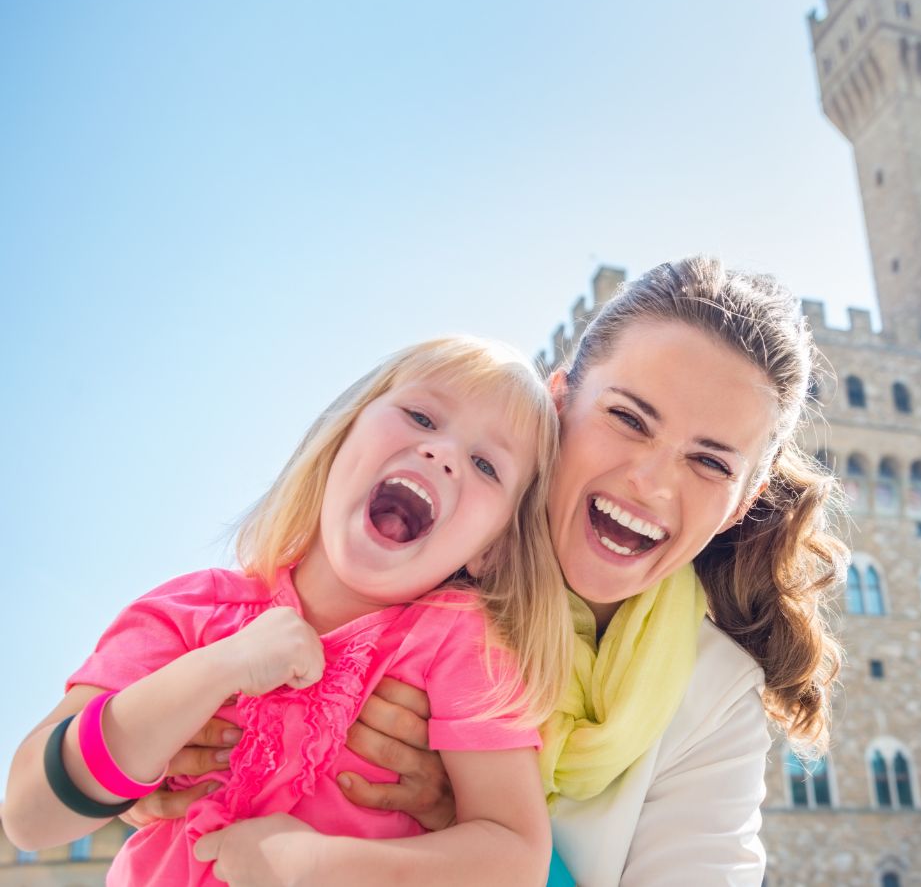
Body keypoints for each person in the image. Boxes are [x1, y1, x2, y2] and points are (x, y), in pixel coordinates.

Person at [135, 256, 849, 887]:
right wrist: (161, 748)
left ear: (741, 505)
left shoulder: (713, 698)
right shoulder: (395, 574)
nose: (651, 483)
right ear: (558, 401)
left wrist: (467, 831)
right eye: (629, 419)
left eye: (710, 462)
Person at [3, 336, 573, 887]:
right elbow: (30, 815)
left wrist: (319, 868)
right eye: (422, 418)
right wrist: (218, 667)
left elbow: (515, 856)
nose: (441, 453)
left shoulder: (463, 646)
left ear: (492, 548)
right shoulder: (189, 612)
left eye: (486, 464)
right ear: (343, 433)